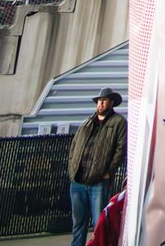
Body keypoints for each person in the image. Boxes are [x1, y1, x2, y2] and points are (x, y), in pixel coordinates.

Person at [67, 87, 127, 246]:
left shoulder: (118, 122)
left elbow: (121, 149)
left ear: (111, 102)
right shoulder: (87, 122)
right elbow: (74, 146)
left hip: (99, 182)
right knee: (78, 224)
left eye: (104, 100)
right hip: (78, 181)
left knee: (99, 224)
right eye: (99, 101)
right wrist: (72, 170)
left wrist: (109, 172)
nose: (100, 103)